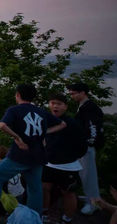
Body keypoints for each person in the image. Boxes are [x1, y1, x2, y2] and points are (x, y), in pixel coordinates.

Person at [0, 84, 67, 218]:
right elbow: (62, 124)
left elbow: (2, 125)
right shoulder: (41, 111)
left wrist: (17, 137)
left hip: (19, 156)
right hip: (38, 156)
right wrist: (44, 132)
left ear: (18, 95)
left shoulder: (15, 110)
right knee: (34, 187)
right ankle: (34, 216)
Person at [42, 93, 87, 224]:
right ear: (49, 105)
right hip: (48, 163)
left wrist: (69, 156)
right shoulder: (47, 121)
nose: (55, 106)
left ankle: (67, 218)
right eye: (52, 103)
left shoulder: (72, 124)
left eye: (59, 104)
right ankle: (44, 213)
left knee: (68, 192)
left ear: (65, 107)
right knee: (44, 188)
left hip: (68, 165)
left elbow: (82, 146)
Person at [67, 82, 105, 215]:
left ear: (82, 92)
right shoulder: (84, 106)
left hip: (86, 148)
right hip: (83, 147)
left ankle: (93, 203)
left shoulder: (89, 108)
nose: (71, 96)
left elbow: (93, 129)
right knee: (84, 174)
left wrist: (88, 143)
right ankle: (91, 199)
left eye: (73, 93)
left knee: (89, 176)